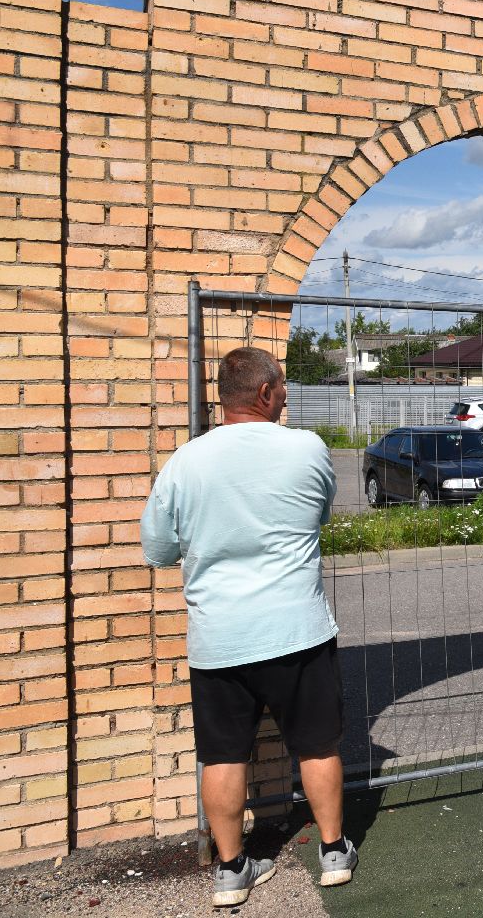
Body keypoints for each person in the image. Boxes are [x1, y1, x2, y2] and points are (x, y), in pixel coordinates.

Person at [141, 346, 358, 907]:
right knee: (316, 746)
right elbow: (319, 512)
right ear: (265, 394)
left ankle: (232, 869)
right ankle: (333, 852)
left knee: (223, 755)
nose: (286, 396)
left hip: (220, 639)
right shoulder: (306, 449)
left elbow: (158, 550)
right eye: (283, 388)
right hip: (298, 631)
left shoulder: (184, 462)